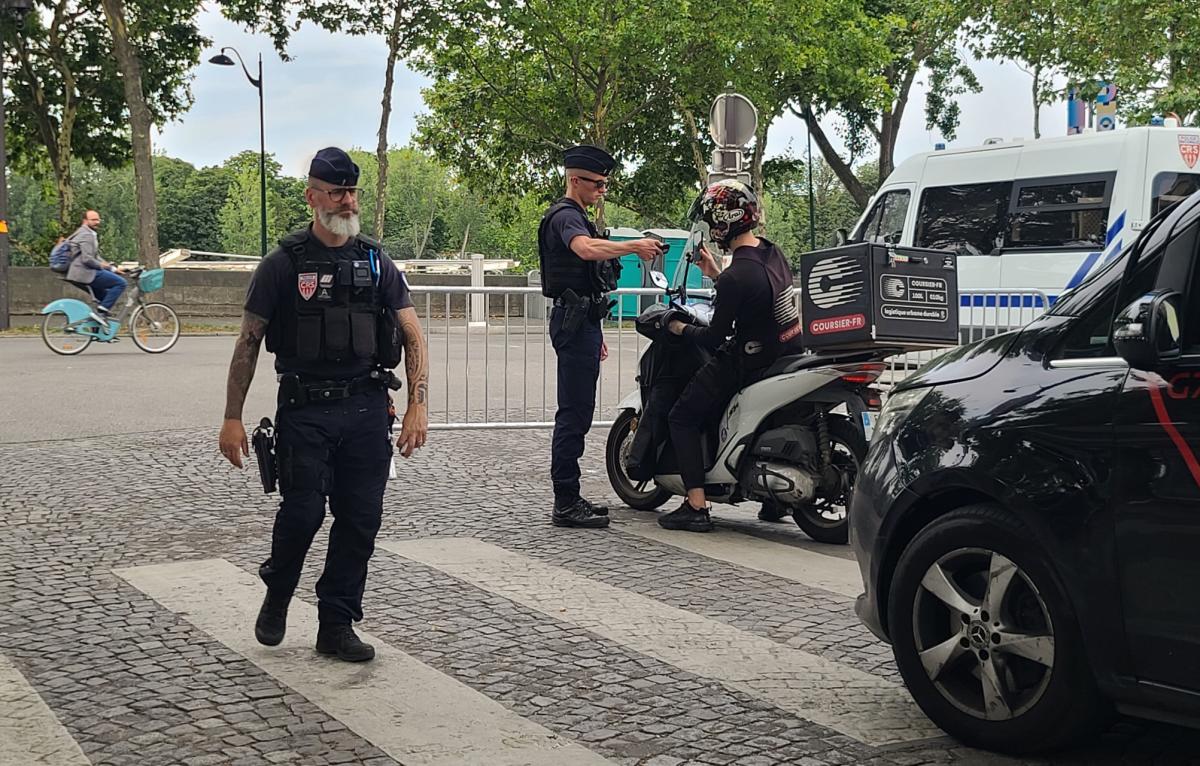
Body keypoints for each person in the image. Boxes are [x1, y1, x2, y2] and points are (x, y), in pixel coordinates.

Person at [218, 147, 429, 663]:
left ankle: (336, 623)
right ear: (312, 197)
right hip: (305, 410)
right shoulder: (281, 265)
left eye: (352, 191)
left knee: (360, 520)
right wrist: (231, 417)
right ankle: (278, 591)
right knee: (303, 513)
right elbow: (248, 343)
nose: (347, 200)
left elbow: (411, 332)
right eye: (336, 191)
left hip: (365, 407)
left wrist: (419, 404)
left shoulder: (377, 262)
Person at [659, 179, 804, 533]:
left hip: (749, 360)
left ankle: (695, 505)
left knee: (682, 416)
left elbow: (712, 337)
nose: (710, 232)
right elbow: (755, 295)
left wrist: (677, 328)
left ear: (724, 224)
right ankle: (773, 501)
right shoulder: (772, 253)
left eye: (712, 224)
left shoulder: (735, 278)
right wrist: (715, 274)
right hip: (786, 351)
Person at [538, 144, 662, 528]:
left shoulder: (577, 215)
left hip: (583, 322)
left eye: (606, 184)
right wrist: (633, 245)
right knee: (573, 413)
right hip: (574, 324)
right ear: (575, 180)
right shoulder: (565, 217)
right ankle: (565, 501)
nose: (602, 191)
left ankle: (571, 495)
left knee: (580, 411)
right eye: (597, 184)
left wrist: (596, 328)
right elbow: (586, 249)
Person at [64, 210, 126, 325]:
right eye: (93, 220)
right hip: (85, 272)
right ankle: (101, 314)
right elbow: (87, 259)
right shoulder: (86, 234)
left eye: (98, 219)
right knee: (121, 283)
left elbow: (96, 257)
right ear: (85, 221)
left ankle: (98, 327)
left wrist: (112, 268)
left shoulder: (84, 233)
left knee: (105, 296)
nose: (97, 222)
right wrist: (104, 267)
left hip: (78, 273)